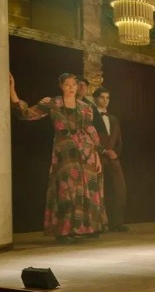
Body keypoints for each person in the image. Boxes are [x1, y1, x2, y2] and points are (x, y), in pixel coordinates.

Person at [9, 73, 106, 242]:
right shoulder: (52, 103)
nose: (71, 88)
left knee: (87, 188)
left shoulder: (85, 107)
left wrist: (97, 154)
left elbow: (90, 130)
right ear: (61, 86)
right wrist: (12, 90)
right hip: (64, 152)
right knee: (66, 188)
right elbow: (27, 113)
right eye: (67, 84)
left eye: (74, 84)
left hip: (86, 152)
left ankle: (88, 228)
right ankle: (65, 230)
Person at [93, 87, 129, 233]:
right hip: (97, 157)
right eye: (102, 97)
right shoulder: (91, 116)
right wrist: (103, 151)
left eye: (107, 98)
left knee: (118, 189)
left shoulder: (113, 118)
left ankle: (117, 223)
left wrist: (115, 153)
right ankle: (99, 224)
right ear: (95, 98)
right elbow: (89, 137)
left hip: (112, 159)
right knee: (98, 190)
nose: (105, 100)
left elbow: (119, 139)